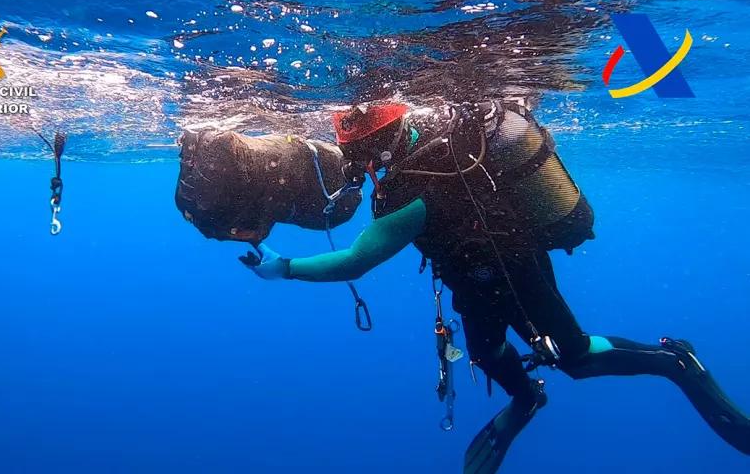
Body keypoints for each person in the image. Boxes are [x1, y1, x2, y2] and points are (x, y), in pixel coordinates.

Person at [240, 101, 750, 473]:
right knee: (485, 351)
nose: (359, 167)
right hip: (478, 281)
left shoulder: (413, 189)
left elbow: (356, 261)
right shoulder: (436, 145)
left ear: (377, 145)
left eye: (359, 155)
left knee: (574, 358)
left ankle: (676, 361)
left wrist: (284, 267)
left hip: (517, 275)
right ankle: (527, 398)